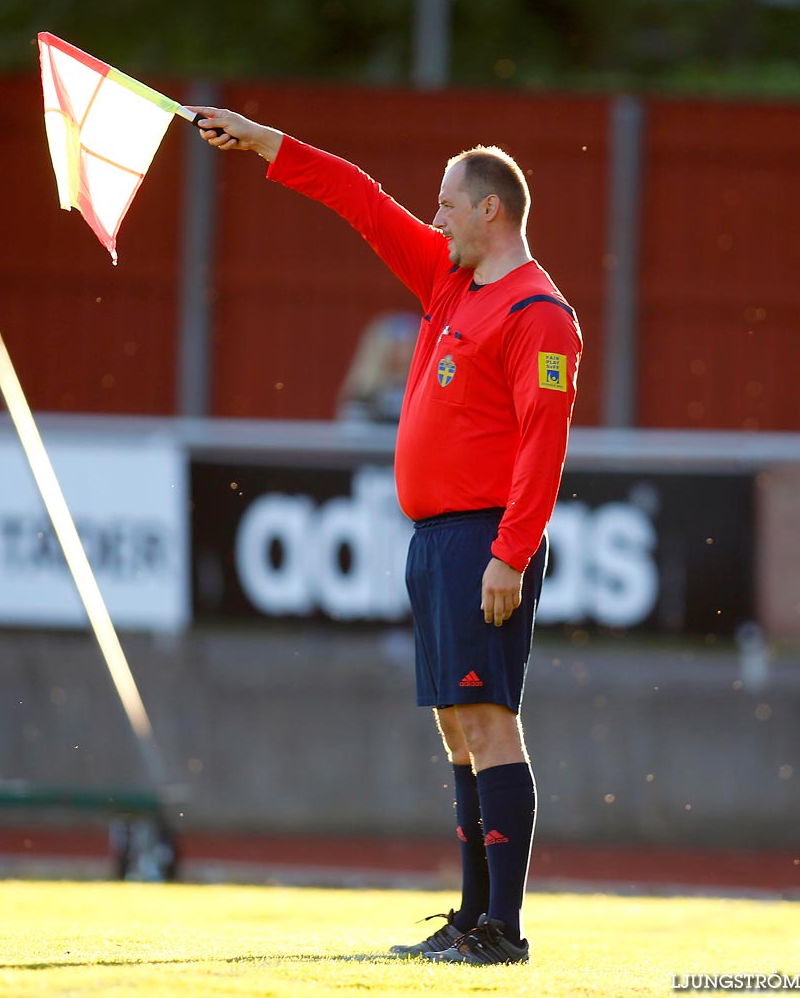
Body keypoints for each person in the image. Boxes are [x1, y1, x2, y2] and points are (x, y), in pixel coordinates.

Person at [192, 107, 582, 966]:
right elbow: (362, 202)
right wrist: (263, 140)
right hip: (437, 539)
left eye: (445, 204)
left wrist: (510, 553)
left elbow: (544, 447)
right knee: (456, 726)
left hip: (485, 541)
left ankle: (503, 934)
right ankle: (473, 916)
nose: (432, 217)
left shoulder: (539, 314)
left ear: (490, 212)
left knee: (490, 723)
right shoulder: (452, 282)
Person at [336, 310, 420, 423]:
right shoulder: (362, 395)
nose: (406, 353)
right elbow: (353, 434)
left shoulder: (424, 395)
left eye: (413, 344)